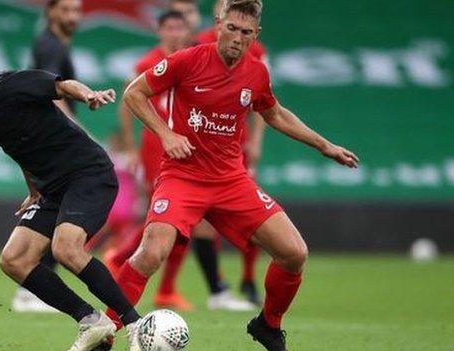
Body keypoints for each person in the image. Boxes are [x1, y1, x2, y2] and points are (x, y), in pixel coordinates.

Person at [105, 1, 360, 350]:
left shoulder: (256, 72)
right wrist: (166, 135)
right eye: (231, 29)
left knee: (294, 253)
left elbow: (275, 114)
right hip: (183, 177)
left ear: (255, 35)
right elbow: (134, 92)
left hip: (230, 182)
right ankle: (105, 331)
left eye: (246, 32)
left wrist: (324, 145)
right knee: (151, 253)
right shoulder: (188, 59)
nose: (237, 38)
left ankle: (268, 326)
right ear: (218, 24)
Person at [0, 47, 143, 351]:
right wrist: (33, 190)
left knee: (65, 248)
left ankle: (135, 324)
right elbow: (17, 148)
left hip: (88, 173)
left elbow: (61, 86)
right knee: (14, 259)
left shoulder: (11, 85)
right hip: (51, 188)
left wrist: (88, 95)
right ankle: (91, 321)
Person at [110, 9, 253, 312]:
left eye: (182, 27)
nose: (176, 33)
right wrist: (131, 146)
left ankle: (163, 286)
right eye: (170, 27)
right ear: (160, 31)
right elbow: (129, 102)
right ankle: (126, 262)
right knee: (170, 221)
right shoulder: (149, 63)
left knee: (179, 223)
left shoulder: (194, 59)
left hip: (190, 147)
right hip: (157, 147)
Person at [197, 0, 269, 305]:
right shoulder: (198, 47)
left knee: (257, 221)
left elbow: (266, 104)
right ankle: (216, 289)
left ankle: (248, 279)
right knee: (174, 231)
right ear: (218, 17)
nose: (238, 36)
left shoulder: (258, 56)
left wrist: (256, 140)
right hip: (197, 155)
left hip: (233, 153)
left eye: (246, 30)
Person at [13, 0, 83, 313]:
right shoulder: (51, 45)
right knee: (61, 210)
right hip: (55, 142)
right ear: (51, 11)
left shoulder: (52, 42)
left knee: (59, 211)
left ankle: (32, 286)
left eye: (77, 10)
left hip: (50, 141)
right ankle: (30, 288)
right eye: (66, 9)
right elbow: (55, 96)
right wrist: (80, 133)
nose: (73, 16)